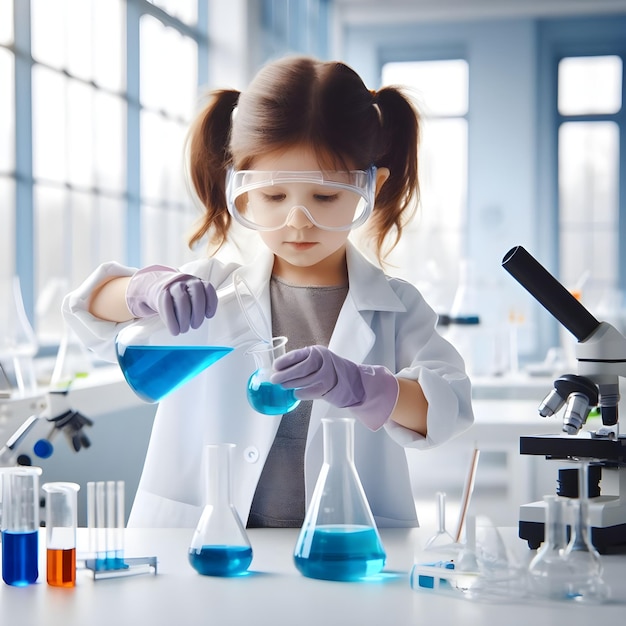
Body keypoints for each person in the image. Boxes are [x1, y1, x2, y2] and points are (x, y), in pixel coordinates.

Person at [63, 55, 474, 529]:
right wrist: (145, 289)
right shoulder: (213, 289)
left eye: (325, 196)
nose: (297, 220)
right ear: (241, 188)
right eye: (274, 196)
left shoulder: (397, 309)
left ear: (371, 188)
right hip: (206, 545)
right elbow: (87, 310)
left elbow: (447, 410)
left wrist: (363, 385)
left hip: (343, 553)